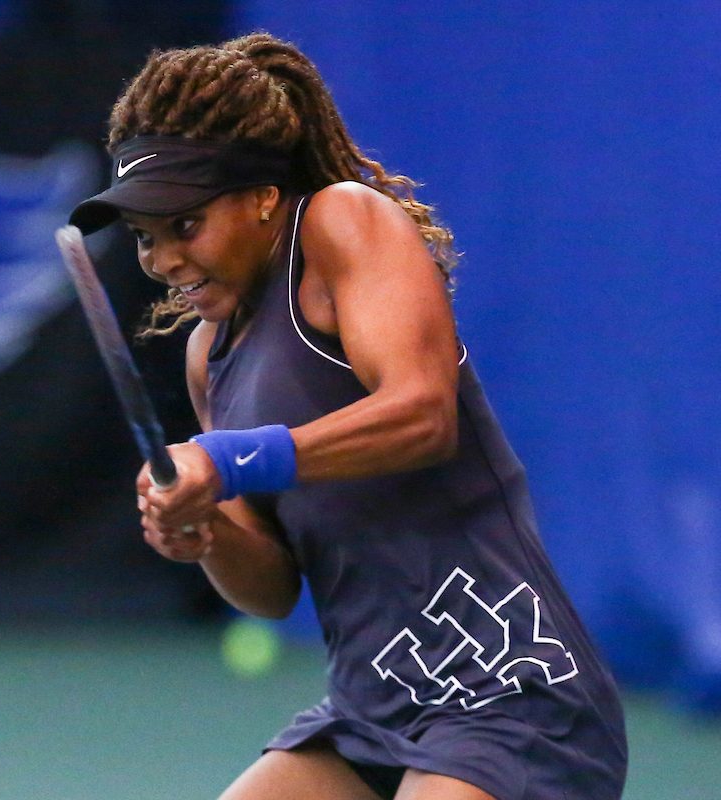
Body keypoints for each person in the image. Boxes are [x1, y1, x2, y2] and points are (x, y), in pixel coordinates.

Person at [67, 33, 627, 800]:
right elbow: (272, 590)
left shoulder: (343, 222)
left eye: (185, 226)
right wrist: (206, 532)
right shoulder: (208, 355)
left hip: (508, 691)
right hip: (371, 714)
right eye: (145, 238)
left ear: (263, 197)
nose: (162, 259)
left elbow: (423, 414)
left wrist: (225, 461)